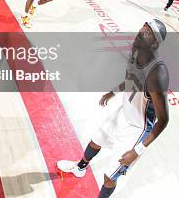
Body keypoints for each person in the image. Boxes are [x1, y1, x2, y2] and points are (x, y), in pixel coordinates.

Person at [57, 19, 169, 198]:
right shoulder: (136, 51)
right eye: (142, 27)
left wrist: (137, 150)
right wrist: (112, 92)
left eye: (147, 32)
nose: (141, 32)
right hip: (124, 113)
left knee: (110, 176)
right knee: (96, 140)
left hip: (137, 129)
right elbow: (130, 79)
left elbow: (163, 120)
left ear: (155, 43)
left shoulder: (157, 74)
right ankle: (80, 168)